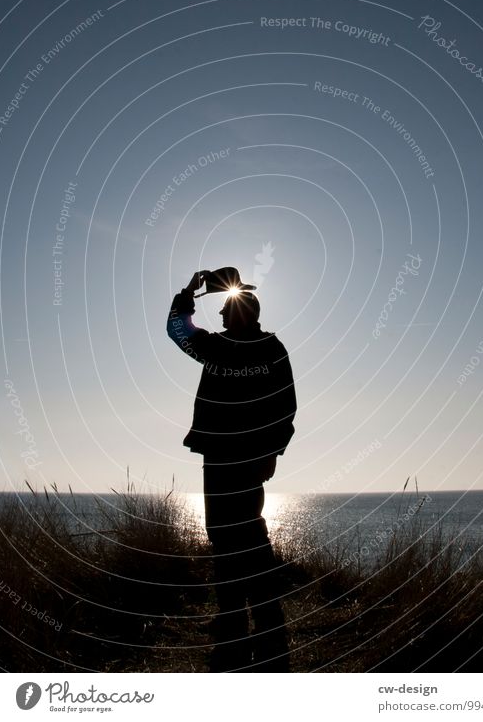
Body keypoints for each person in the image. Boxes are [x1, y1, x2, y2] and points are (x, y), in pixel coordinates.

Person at [167, 269, 297, 672]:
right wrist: (273, 450)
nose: (220, 317)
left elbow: (178, 330)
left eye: (224, 310)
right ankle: (243, 619)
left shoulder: (224, 348)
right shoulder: (256, 347)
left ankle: (256, 620)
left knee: (240, 535)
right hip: (237, 456)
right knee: (232, 534)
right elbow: (286, 407)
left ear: (240, 313)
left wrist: (189, 293)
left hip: (231, 456)